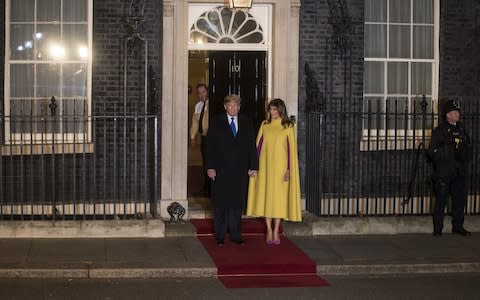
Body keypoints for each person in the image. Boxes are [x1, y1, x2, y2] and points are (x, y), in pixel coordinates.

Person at [246, 98, 301, 245]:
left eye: (275, 109)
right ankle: (269, 230)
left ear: (281, 110)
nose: (273, 112)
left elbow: (291, 151)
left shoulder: (288, 126)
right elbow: (257, 148)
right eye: (271, 109)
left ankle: (276, 229)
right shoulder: (265, 125)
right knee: (266, 198)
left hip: (280, 169)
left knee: (278, 199)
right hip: (265, 168)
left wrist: (289, 169)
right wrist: (254, 167)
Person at [205, 94, 258, 246]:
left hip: (240, 171)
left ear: (239, 107)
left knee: (236, 204)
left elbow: (251, 147)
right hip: (220, 170)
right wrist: (210, 167)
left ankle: (235, 235)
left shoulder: (247, 122)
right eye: (231, 105)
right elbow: (210, 147)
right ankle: (220, 236)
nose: (233, 108)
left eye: (236, 106)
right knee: (220, 204)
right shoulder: (216, 122)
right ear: (225, 107)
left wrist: (253, 166)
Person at [427, 99, 472, 236]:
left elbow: (468, 147)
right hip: (445, 171)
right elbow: (431, 152)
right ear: (447, 115)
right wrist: (443, 155)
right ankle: (438, 229)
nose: (457, 114)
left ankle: (458, 227)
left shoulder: (462, 129)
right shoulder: (440, 131)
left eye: (458, 112)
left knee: (459, 200)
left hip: (459, 170)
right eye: (454, 112)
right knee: (441, 201)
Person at [190, 84, 210, 196]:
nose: (201, 94)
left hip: (213, 138)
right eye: (199, 92)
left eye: (203, 92)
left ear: (207, 91)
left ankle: (211, 187)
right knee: (205, 162)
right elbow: (195, 123)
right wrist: (192, 137)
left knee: (213, 162)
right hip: (204, 138)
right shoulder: (198, 106)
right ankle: (206, 187)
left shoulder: (212, 104)